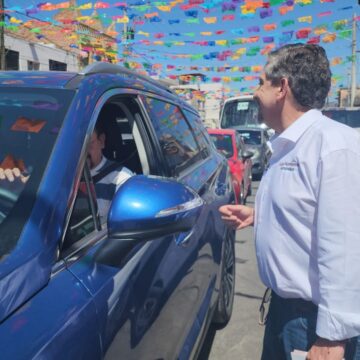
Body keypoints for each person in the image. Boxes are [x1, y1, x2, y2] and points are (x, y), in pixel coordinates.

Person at [219, 43, 360, 360]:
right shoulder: (290, 145)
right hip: (286, 314)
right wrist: (258, 215)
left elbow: (347, 245)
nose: (255, 92)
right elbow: (310, 210)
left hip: (315, 324)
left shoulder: (333, 145)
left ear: (282, 87)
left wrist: (330, 339)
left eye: (261, 82)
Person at [88, 119, 133, 222]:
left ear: (102, 141)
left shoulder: (121, 179)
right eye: (75, 147)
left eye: (88, 144)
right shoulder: (57, 178)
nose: (81, 152)